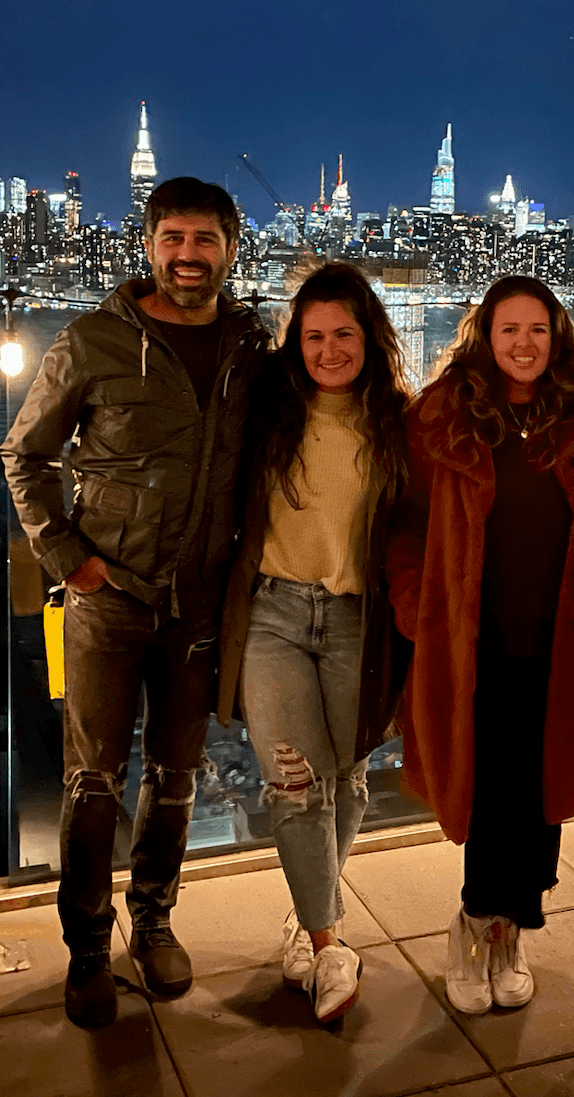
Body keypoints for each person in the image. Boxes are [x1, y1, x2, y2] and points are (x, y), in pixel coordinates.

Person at [1, 177, 269, 1028]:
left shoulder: (248, 349)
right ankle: (87, 947)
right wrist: (68, 559)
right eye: (174, 238)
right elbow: (24, 455)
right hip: (109, 601)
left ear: (232, 247)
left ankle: (154, 919)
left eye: (206, 240)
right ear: (149, 244)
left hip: (199, 602)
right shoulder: (92, 342)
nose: (189, 256)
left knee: (178, 775)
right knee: (91, 781)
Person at [386, 275, 574, 1015]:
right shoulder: (441, 418)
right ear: (484, 335)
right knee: (487, 793)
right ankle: (476, 922)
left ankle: (512, 930)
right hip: (469, 640)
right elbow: (405, 526)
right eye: (508, 329)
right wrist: (421, 609)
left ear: (557, 337)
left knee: (537, 795)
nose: (523, 344)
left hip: (559, 642)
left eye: (537, 330)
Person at [216, 262, 411, 1024]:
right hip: (272, 615)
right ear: (294, 342)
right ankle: (331, 945)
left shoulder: (400, 420)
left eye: (344, 335)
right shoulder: (270, 412)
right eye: (314, 336)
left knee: (347, 781)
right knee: (295, 785)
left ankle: (306, 922)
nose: (329, 350)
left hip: (361, 624)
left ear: (371, 337)